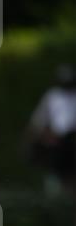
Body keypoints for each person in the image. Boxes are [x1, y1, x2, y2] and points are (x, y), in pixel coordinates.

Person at [28, 64, 76, 194]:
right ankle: (56, 202)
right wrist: (45, 136)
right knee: (56, 174)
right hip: (59, 141)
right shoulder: (52, 96)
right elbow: (38, 121)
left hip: (73, 140)